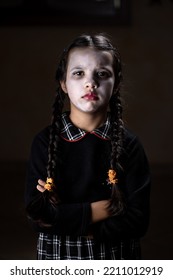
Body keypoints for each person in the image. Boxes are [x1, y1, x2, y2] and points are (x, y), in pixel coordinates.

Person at [25, 33, 151, 260]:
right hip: (57, 258)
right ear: (63, 82)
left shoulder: (129, 145)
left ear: (116, 84)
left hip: (116, 257)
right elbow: (39, 217)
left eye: (102, 74)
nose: (90, 82)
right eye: (78, 73)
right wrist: (101, 209)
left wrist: (69, 219)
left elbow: (137, 221)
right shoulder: (45, 143)